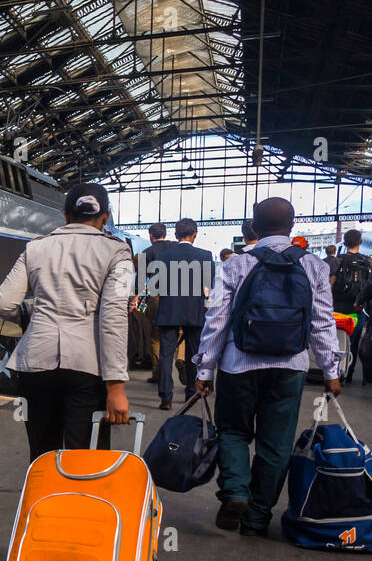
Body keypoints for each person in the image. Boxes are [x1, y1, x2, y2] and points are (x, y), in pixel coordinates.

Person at [193, 197, 342, 537]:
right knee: (275, 444)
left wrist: (205, 370)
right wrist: (331, 371)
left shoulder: (236, 265)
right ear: (292, 227)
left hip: (238, 364)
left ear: (255, 228)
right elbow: (322, 324)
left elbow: (217, 320)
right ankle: (257, 518)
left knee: (232, 431)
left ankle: (235, 491)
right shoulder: (315, 265)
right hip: (290, 367)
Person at [0, 183, 132, 459]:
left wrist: (32, 317)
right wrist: (116, 386)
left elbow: (3, 302)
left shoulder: (35, 248)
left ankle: (43, 500)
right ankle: (82, 501)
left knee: (43, 456)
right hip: (87, 368)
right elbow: (114, 315)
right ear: (105, 217)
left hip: (35, 366)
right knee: (87, 459)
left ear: (65, 215)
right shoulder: (118, 252)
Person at [146, 217, 214, 409]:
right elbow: (208, 287)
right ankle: (190, 395)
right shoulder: (205, 255)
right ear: (195, 234)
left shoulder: (163, 257)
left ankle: (166, 398)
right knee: (193, 355)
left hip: (168, 311)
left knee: (166, 354)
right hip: (194, 312)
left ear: (175, 235)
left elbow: (154, 287)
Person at [329, 228, 370, 382]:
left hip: (337, 308)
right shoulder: (367, 262)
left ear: (344, 243)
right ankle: (349, 373)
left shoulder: (337, 260)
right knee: (353, 341)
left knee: (336, 340)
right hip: (357, 308)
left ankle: (335, 372)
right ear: (360, 242)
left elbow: (330, 284)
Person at [143, 222, 175, 382]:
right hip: (178, 295)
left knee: (156, 336)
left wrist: (138, 301)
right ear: (166, 233)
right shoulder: (175, 247)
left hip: (156, 295)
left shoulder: (147, 252)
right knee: (180, 330)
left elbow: (141, 282)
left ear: (150, 236)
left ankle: (158, 374)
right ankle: (181, 358)